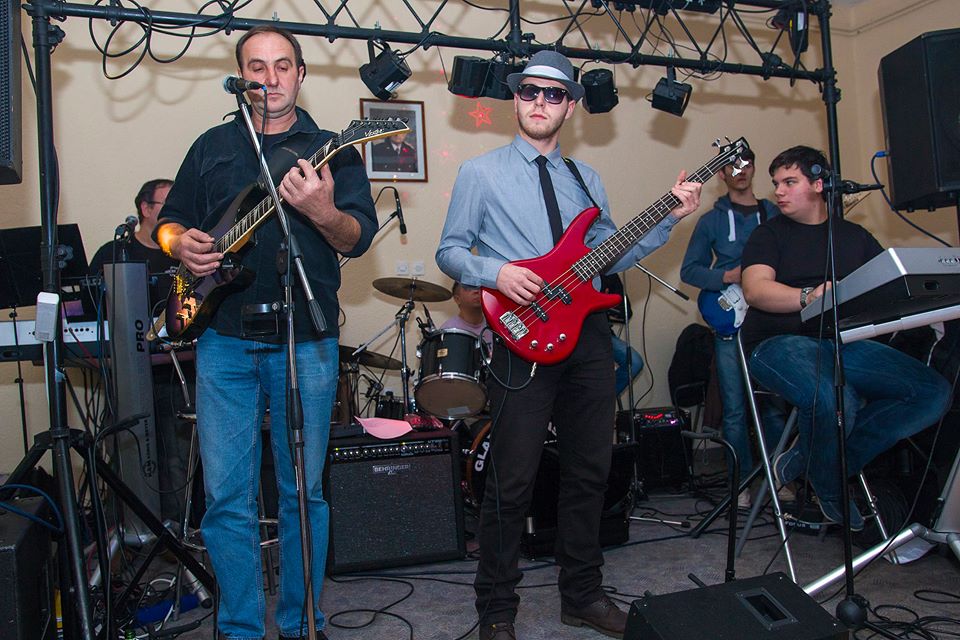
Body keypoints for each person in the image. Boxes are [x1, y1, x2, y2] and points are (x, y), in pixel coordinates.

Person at [436, 51, 701, 640]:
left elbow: (613, 255)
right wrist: (498, 272)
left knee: (590, 470)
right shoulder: (481, 173)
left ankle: (582, 595)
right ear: (515, 98)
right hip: (521, 335)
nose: (540, 102)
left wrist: (670, 217)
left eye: (554, 94)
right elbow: (449, 250)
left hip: (587, 338)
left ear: (570, 107)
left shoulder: (587, 180)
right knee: (512, 479)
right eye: (530, 91)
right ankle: (496, 610)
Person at [154, 25, 377, 640]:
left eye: (282, 66)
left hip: (305, 336)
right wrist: (181, 244)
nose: (270, 78)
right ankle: (240, 628)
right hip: (222, 336)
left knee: (303, 493)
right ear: (241, 78)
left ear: (300, 74)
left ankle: (302, 622)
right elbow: (169, 224)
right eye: (257, 67)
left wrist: (322, 211)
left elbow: (358, 237)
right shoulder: (212, 146)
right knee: (228, 497)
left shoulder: (330, 150)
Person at [740, 145, 951, 531]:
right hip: (778, 342)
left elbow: (884, 289)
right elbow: (755, 291)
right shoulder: (767, 234)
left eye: (790, 182)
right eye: (776, 183)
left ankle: (815, 462)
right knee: (836, 397)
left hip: (843, 342)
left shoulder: (854, 237)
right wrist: (809, 296)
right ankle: (830, 486)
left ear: (818, 184)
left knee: (931, 393)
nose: (779, 191)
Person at [89, 179, 195, 524]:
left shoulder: (184, 255)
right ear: (146, 209)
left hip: (177, 372)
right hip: (128, 375)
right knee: (125, 451)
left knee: (178, 458)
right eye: (167, 204)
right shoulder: (115, 253)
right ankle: (125, 529)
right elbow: (89, 308)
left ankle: (178, 531)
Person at [679, 148, 780, 507]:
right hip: (731, 322)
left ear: (754, 168)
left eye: (746, 163)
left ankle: (779, 479)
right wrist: (727, 276)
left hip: (769, 320)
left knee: (775, 406)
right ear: (721, 174)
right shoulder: (711, 221)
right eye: (732, 166)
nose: (740, 170)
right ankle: (742, 484)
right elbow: (689, 271)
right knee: (734, 409)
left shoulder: (774, 214)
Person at [599, 273, 643, 400]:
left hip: (601, 335)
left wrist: (605, 304)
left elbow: (626, 312)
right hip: (569, 335)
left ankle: (601, 402)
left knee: (634, 363)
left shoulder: (608, 273)